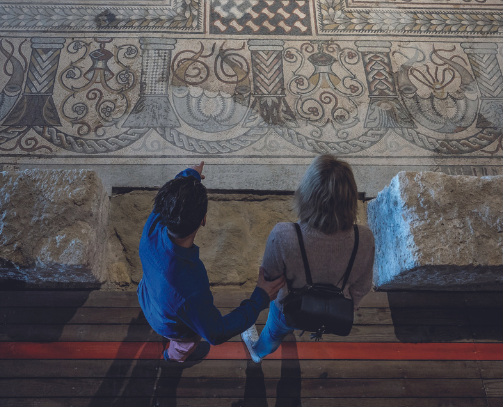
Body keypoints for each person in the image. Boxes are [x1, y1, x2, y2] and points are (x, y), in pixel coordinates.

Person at [138, 162, 287, 362]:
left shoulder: (153, 226)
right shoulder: (190, 289)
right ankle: (172, 357)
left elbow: (171, 195)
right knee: (184, 346)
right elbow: (216, 333)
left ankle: (170, 354)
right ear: (203, 220)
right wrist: (260, 298)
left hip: (147, 298)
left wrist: (190, 175)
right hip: (171, 327)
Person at [242, 154, 376, 362]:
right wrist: (352, 302)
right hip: (331, 311)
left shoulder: (284, 235)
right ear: (350, 197)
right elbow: (362, 286)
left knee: (273, 333)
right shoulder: (364, 238)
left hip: (288, 306)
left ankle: (258, 352)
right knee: (296, 324)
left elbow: (270, 280)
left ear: (307, 194)